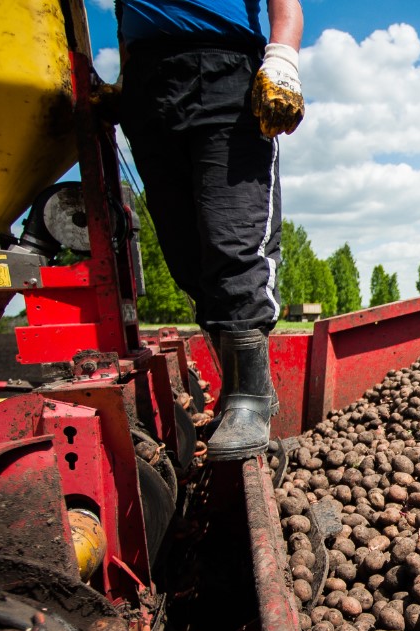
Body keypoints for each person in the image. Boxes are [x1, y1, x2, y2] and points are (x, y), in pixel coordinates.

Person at [113, 0, 305, 460]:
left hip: (224, 73)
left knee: (232, 239)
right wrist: (124, 81)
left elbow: (286, 3)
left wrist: (282, 59)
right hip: (148, 85)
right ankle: (233, 392)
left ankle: (251, 399)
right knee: (187, 254)